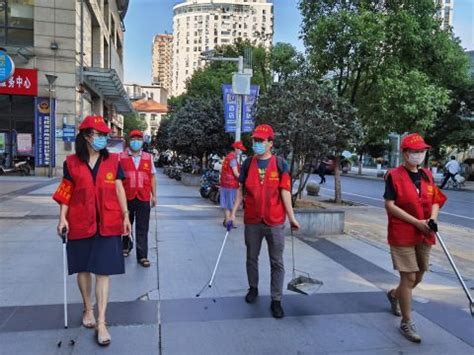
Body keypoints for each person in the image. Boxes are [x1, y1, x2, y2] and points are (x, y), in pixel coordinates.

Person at [53, 115, 131, 346]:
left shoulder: (113, 161)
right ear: (87, 136)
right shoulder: (72, 163)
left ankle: (102, 321)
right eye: (99, 135)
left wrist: (126, 215)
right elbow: (66, 192)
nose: (103, 139)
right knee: (84, 269)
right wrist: (62, 218)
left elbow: (119, 189)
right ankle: (88, 308)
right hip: (80, 221)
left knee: (103, 272)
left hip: (108, 222)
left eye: (105, 135)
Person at [228, 124, 300, 319]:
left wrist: (292, 218)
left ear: (270, 143)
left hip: (275, 221)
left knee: (276, 261)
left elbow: (285, 192)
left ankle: (276, 300)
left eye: (261, 141)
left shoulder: (280, 164)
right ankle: (253, 288)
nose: (257, 144)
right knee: (251, 257)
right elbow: (241, 190)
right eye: (255, 140)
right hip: (252, 220)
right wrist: (233, 213)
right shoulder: (247, 163)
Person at [383, 133, 446, 343]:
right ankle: (406, 322)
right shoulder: (394, 175)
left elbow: (435, 200)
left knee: (418, 276)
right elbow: (390, 205)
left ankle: (394, 295)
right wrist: (416, 222)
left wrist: (432, 220)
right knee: (408, 278)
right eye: (414, 151)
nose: (418, 155)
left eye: (421, 151)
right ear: (405, 153)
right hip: (402, 233)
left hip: (424, 233)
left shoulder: (427, 175)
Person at [120, 129, 157, 267]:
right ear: (130, 141)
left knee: (143, 227)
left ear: (142, 142)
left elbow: (152, 177)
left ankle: (142, 256)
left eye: (139, 139)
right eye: (133, 139)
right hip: (126, 196)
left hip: (143, 197)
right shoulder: (121, 157)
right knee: (125, 224)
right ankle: (125, 246)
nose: (136, 141)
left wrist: (154, 195)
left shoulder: (148, 157)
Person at [220, 141, 247, 227]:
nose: (240, 151)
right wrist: (244, 179)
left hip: (224, 184)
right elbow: (236, 173)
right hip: (231, 185)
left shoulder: (227, 157)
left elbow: (221, 170)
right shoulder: (233, 159)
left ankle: (227, 220)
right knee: (230, 204)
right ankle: (228, 221)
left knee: (227, 203)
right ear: (235, 148)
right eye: (239, 149)